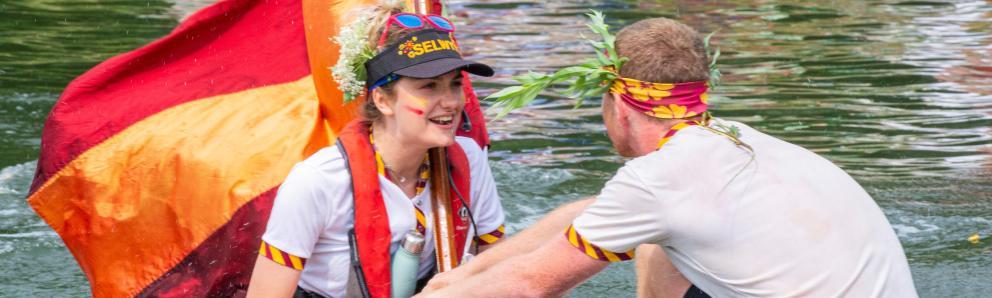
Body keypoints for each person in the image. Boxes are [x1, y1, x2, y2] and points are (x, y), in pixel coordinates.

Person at [419, 16, 918, 297]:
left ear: (615, 103)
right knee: (660, 243)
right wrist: (464, 275)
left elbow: (530, 285)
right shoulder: (732, 137)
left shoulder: (660, 179)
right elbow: (594, 212)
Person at [246, 3, 506, 297]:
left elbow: (497, 267)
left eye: (455, 85)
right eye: (430, 86)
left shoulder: (469, 158)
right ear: (382, 100)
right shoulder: (318, 181)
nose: (451, 102)